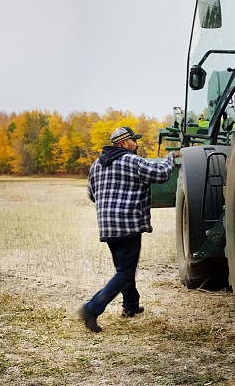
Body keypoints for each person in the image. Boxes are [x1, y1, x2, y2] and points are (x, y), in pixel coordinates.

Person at [79, 125, 181, 332]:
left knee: (123, 269)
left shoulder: (96, 164)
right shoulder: (131, 160)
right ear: (124, 143)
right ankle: (92, 308)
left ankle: (130, 306)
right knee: (125, 273)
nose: (137, 144)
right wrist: (171, 157)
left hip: (107, 227)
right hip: (128, 225)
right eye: (134, 140)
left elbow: (91, 194)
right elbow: (160, 174)